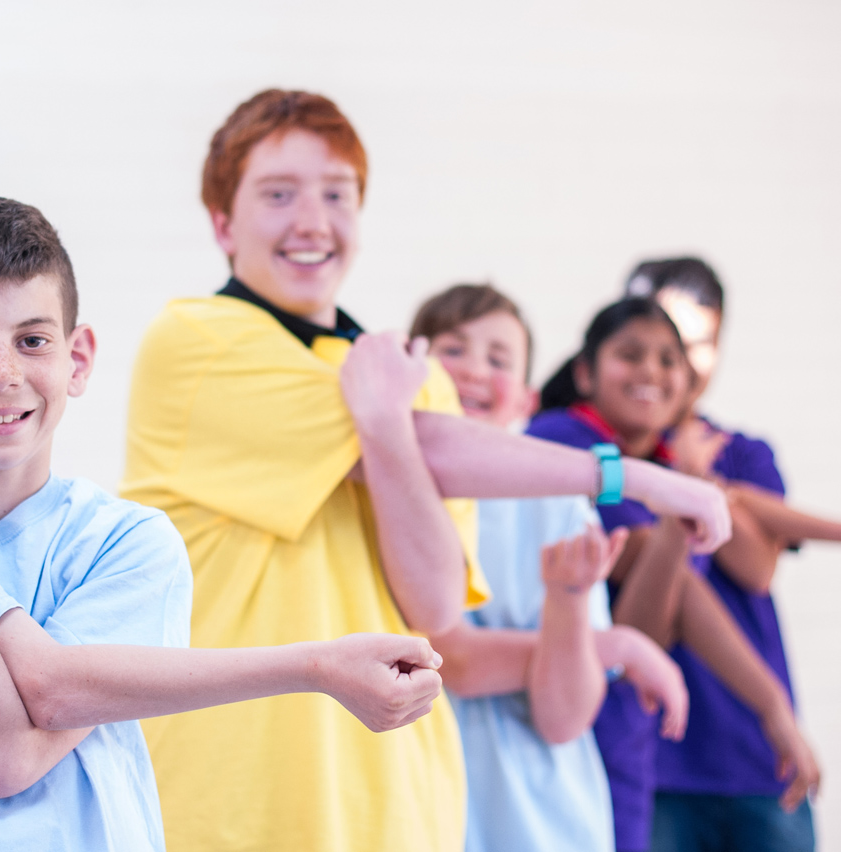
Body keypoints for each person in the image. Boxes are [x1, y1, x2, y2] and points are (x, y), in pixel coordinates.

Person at [121, 89, 731, 852]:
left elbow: (437, 598)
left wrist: (387, 424)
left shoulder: (408, 381)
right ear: (223, 223)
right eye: (279, 194)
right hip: (229, 807)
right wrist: (633, 477)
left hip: (397, 812)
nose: (312, 219)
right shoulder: (196, 341)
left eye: (336, 195)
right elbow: (431, 446)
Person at [0, 196, 455, 852]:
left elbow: (48, 695)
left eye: (32, 340)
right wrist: (316, 665)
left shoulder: (131, 543)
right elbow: (0, 758)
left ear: (78, 358)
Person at [531, 297, 819, 852]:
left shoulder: (692, 454)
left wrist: (693, 483)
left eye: (670, 358)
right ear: (585, 372)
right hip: (636, 744)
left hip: (733, 754)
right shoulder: (573, 446)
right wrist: (772, 706)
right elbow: (654, 619)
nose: (651, 372)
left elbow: (755, 565)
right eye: (631, 353)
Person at [411, 283, 690, 852]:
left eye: (498, 359)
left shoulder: (557, 503)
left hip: (541, 820)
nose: (472, 371)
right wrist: (610, 645)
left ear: (527, 400)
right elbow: (448, 661)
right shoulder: (387, 494)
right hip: (420, 802)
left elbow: (562, 719)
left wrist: (568, 603)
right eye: (454, 350)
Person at [625, 258, 821, 851]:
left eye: (700, 343)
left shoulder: (746, 451)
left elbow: (756, 570)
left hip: (755, 755)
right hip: (658, 756)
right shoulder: (613, 460)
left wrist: (696, 479)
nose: (680, 362)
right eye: (667, 341)